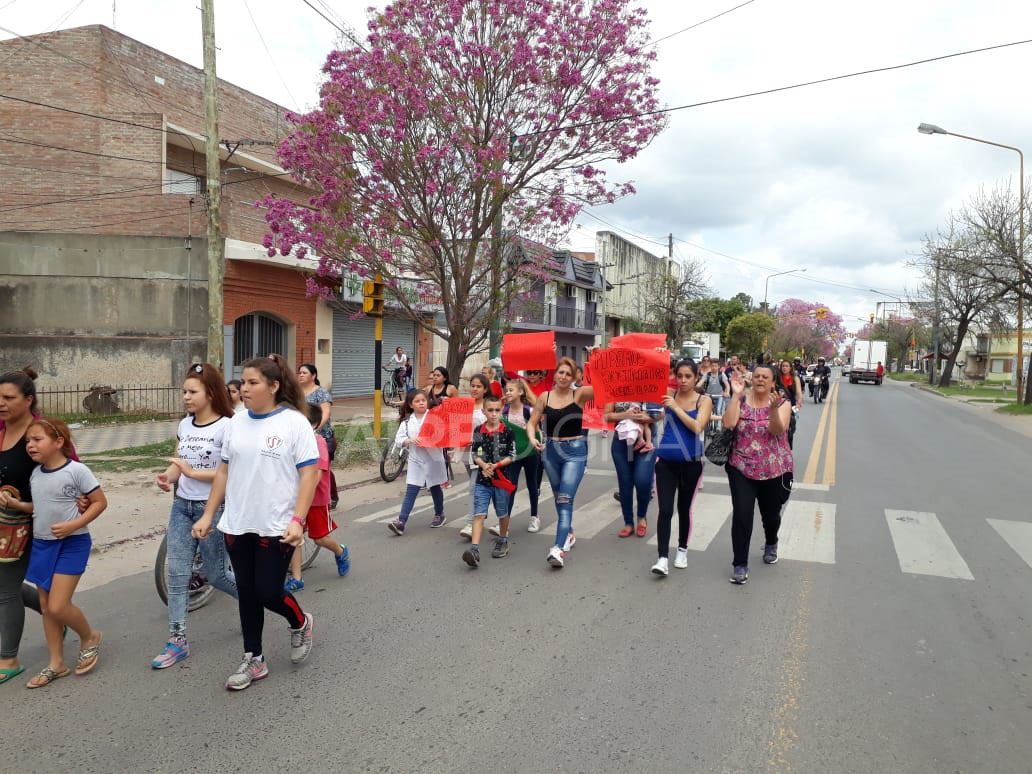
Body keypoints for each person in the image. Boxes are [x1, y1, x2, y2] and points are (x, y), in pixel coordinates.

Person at [192, 354, 318, 691]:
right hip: (237, 522)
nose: (244, 388)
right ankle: (254, 658)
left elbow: (310, 474)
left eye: (252, 382)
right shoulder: (236, 422)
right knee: (247, 593)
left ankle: (300, 622)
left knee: (268, 592)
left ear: (273, 386)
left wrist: (298, 520)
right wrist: (209, 514)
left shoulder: (294, 423)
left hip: (277, 524)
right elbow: (223, 471)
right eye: (243, 382)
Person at [151, 363, 238, 670]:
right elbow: (180, 462)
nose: (186, 397)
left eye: (192, 392)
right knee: (177, 574)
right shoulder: (185, 424)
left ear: (210, 393)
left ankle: (253, 601)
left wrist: (191, 473)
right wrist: (169, 476)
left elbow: (228, 473)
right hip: (182, 507)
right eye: (184, 391)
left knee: (216, 575)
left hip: (212, 508)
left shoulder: (228, 426)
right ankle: (177, 640)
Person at [21, 417, 107, 688]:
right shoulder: (35, 474)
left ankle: (89, 636)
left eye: (37, 439)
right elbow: (39, 507)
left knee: (58, 605)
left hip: (73, 543)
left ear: (58, 442)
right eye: (28, 441)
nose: (30, 445)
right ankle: (56, 663)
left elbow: (99, 502)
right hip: (42, 545)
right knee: (47, 607)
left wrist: (74, 524)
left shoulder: (77, 470)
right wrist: (15, 504)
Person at [0, 367, 71, 685]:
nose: (1, 403)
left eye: (8, 398)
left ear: (28, 400)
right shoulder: (0, 430)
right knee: (8, 586)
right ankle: (57, 616)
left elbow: (68, 468)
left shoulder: (41, 432)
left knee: (5, 589)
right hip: (4, 523)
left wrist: (80, 503)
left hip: (34, 523)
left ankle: (8, 659)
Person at [722, 364, 794, 586]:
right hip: (741, 467)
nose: (760, 379)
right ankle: (740, 564)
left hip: (773, 470)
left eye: (765, 377)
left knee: (770, 516)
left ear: (773, 382)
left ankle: (771, 541)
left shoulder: (782, 403)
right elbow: (728, 423)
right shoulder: (741, 399)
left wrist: (772, 409)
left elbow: (777, 430)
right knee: (742, 514)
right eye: (757, 376)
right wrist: (735, 396)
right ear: (752, 379)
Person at [527, 357, 593, 569]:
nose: (563, 377)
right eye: (561, 372)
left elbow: (607, 386)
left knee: (565, 499)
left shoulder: (579, 394)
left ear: (574, 378)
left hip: (574, 452)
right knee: (558, 496)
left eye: (568, 374)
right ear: (554, 374)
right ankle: (569, 533)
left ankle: (557, 548)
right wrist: (532, 438)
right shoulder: (544, 397)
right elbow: (532, 423)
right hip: (550, 452)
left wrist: (597, 358)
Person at [651, 360, 711, 576]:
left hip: (691, 464)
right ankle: (662, 558)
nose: (683, 380)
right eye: (679, 376)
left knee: (684, 509)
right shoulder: (669, 394)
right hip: (665, 463)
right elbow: (650, 386)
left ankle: (682, 550)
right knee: (665, 510)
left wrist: (675, 407)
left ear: (696, 378)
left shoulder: (704, 400)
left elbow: (697, 427)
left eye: (688, 376)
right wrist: (658, 356)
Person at [283, 404, 352, 591]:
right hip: (295, 498)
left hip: (316, 498)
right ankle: (297, 578)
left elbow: (317, 474)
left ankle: (340, 551)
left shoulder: (318, 442)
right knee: (294, 536)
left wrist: (303, 492)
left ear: (313, 424)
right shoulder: (291, 442)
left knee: (319, 537)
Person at [462, 394, 516, 567]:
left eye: (497, 410)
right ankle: (474, 549)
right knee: (479, 514)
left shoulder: (508, 431)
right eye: (490, 410)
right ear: (484, 411)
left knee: (502, 513)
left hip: (501, 480)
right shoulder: (479, 430)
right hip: (482, 480)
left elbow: (512, 455)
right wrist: (484, 465)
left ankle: (503, 539)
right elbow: (475, 452)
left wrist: (496, 465)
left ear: (502, 411)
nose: (494, 413)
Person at [387, 390, 449, 534]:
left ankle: (439, 514)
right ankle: (401, 521)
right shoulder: (407, 422)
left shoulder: (435, 417)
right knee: (411, 490)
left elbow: (444, 434)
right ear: (411, 405)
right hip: (416, 460)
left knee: (435, 487)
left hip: (433, 459)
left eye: (423, 400)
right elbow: (399, 439)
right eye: (417, 401)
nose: (421, 403)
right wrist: (409, 440)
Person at [604, 398, 656, 539]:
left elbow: (660, 413)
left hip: (645, 440)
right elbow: (607, 416)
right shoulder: (613, 389)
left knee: (642, 481)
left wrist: (646, 417)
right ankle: (628, 522)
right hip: (621, 441)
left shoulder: (650, 387)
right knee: (625, 483)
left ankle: (641, 516)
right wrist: (626, 415)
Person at [501, 378, 542, 533]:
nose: (507, 392)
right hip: (514, 455)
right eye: (506, 390)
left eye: (511, 390)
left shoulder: (528, 411)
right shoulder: (504, 411)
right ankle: (505, 522)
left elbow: (537, 432)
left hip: (531, 453)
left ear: (520, 392)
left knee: (532, 484)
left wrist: (539, 445)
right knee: (511, 486)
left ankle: (534, 516)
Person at [297, 364, 339, 512]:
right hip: (300, 437)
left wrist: (313, 429)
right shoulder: (296, 393)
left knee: (323, 468)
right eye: (299, 372)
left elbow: (326, 413)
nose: (301, 375)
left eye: (304, 373)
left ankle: (331, 496)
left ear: (313, 376)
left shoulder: (321, 393)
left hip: (322, 437)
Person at [458, 374, 490, 540]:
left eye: (478, 386)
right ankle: (480, 515)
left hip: (481, 452)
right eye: (473, 386)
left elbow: (490, 429)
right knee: (479, 486)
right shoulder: (464, 405)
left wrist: (475, 440)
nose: (475, 389)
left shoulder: (488, 407)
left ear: (485, 389)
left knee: (473, 486)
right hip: (465, 450)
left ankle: (471, 523)